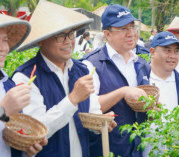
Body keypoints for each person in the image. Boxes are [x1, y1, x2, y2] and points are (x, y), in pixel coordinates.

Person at [12, 1, 116, 157]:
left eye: (70, 34)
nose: (68, 41)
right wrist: (73, 98)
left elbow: (91, 111)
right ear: (41, 40)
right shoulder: (27, 76)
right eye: (60, 36)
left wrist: (100, 122)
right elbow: (35, 132)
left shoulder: (83, 70)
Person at [83, 4, 151, 157]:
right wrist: (122, 92)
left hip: (138, 150)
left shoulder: (142, 64)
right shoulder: (92, 64)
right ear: (107, 34)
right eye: (123, 29)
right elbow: (86, 108)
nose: (131, 33)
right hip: (108, 149)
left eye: (132, 26)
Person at [0, 10, 47, 157]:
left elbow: (9, 135)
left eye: (5, 40)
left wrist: (26, 147)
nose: (3, 48)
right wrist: (2, 110)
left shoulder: (9, 85)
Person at [143, 31, 179, 157]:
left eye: (176, 51)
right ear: (152, 52)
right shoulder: (140, 79)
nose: (173, 56)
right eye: (167, 50)